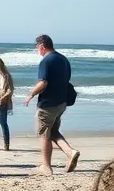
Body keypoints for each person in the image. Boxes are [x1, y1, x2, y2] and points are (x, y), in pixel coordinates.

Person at [25, 35, 80, 175]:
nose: (38, 50)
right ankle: (70, 152)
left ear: (42, 46)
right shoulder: (63, 59)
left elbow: (43, 82)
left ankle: (46, 166)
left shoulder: (46, 61)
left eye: (37, 48)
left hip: (47, 104)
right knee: (53, 132)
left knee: (43, 134)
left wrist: (30, 95)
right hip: (61, 103)